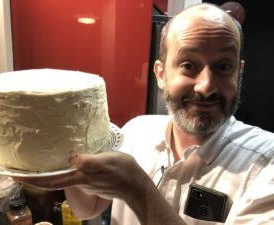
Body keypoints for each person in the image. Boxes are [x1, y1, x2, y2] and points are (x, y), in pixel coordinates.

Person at [17, 3, 274, 225]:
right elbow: (87, 208)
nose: (206, 86)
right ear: (161, 74)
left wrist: (138, 191)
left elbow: (134, 191)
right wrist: (66, 159)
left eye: (223, 66)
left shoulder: (267, 163)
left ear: (238, 73)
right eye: (188, 65)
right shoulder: (135, 131)